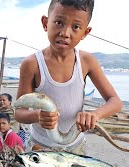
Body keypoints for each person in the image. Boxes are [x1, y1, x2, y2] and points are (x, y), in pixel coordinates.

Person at [15, 0, 122, 155]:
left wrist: (94, 114)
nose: (65, 33)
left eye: (76, 27)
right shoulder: (31, 64)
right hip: (40, 145)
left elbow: (115, 101)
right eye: (58, 22)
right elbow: (19, 112)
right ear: (45, 23)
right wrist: (37, 116)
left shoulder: (87, 61)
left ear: (85, 32)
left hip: (75, 146)